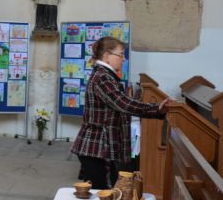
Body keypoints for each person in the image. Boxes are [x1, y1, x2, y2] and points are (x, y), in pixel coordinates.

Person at [71, 36, 171, 190]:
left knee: (104, 190)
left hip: (100, 146)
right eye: (120, 54)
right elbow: (123, 104)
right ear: (106, 56)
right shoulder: (102, 78)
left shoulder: (105, 75)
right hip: (98, 146)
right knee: (103, 191)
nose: (123, 59)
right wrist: (156, 109)